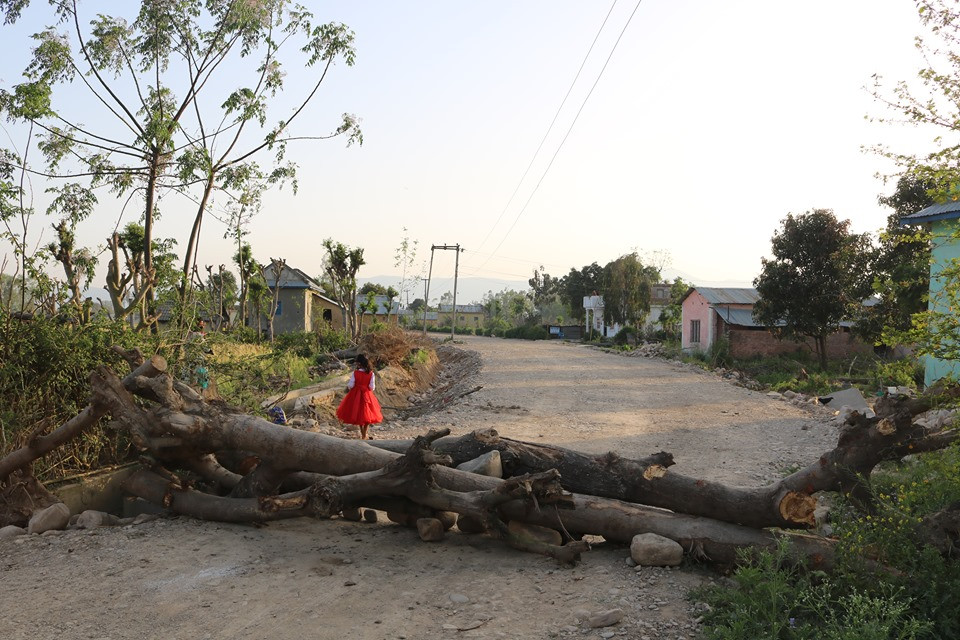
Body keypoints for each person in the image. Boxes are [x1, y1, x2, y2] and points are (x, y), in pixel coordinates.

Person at [336, 354, 383, 440]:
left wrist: (352, 388)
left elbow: (351, 384)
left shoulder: (356, 373)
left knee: (358, 414)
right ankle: (365, 434)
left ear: (359, 363)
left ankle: (363, 433)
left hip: (355, 394)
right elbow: (372, 387)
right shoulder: (371, 374)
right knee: (367, 415)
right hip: (366, 394)